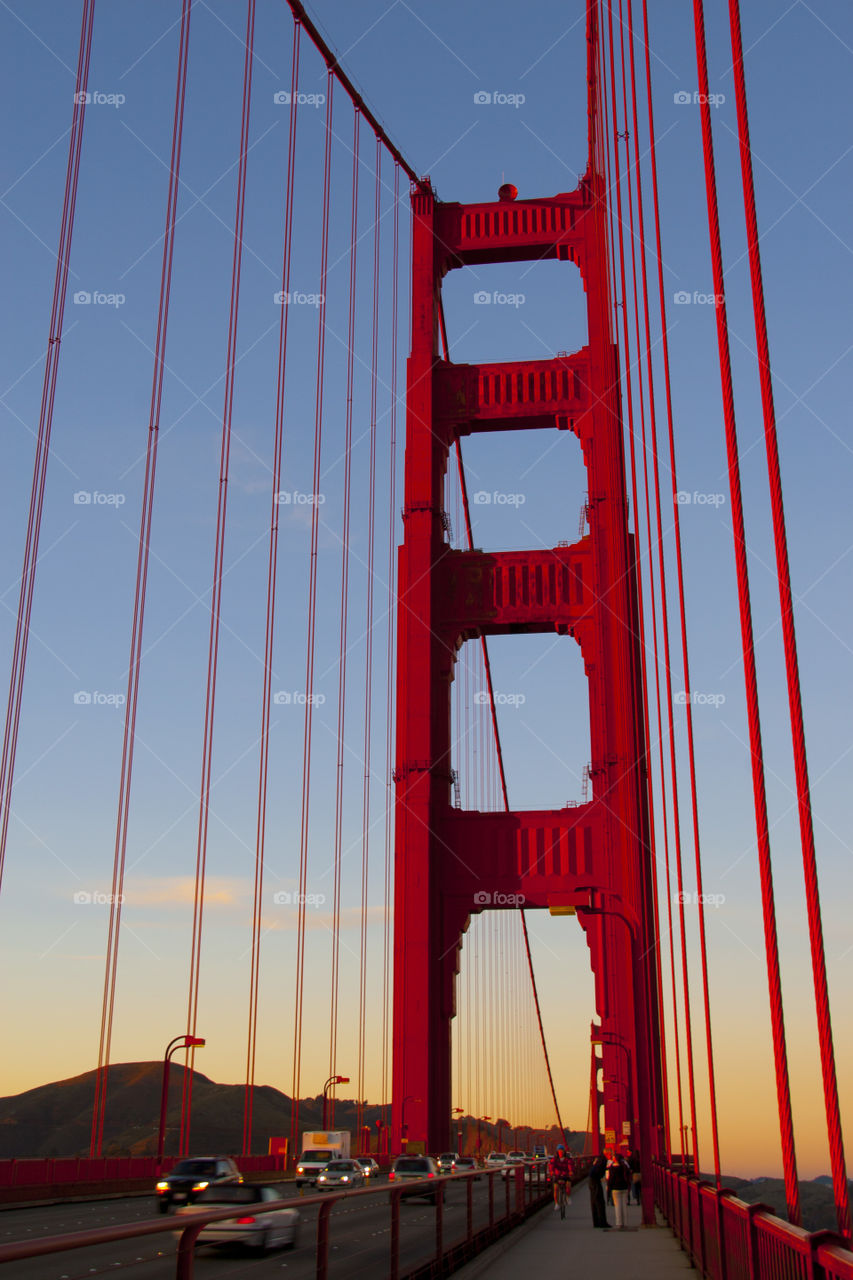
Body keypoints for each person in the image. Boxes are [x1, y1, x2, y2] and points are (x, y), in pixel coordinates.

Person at [605, 1148, 631, 1228]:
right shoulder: (624, 1167)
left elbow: (610, 1179)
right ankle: (625, 1223)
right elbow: (628, 1175)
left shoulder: (612, 1168)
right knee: (624, 1205)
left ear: (615, 1159)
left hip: (615, 1189)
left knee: (617, 1206)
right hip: (624, 1187)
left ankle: (619, 1223)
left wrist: (608, 1189)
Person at [548, 1144, 575, 1212]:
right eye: (559, 1151)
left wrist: (571, 1171)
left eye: (562, 1150)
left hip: (566, 1175)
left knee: (568, 1185)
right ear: (557, 1151)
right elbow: (551, 1165)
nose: (561, 1152)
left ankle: (568, 1197)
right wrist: (551, 1171)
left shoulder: (568, 1159)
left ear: (564, 1151)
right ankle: (556, 1203)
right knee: (556, 1189)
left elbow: (570, 1165)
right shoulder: (555, 1159)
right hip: (557, 1175)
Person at [588, 1152, 609, 1227]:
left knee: (594, 1202)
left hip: (591, 1181)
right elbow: (599, 1173)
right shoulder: (603, 1162)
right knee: (600, 1202)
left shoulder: (598, 1161)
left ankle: (596, 1222)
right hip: (595, 1182)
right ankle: (602, 1222)